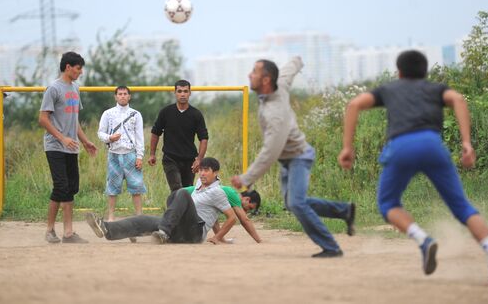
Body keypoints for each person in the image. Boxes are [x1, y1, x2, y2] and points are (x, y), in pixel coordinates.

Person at [338, 50, 488, 285]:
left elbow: (354, 104)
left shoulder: (389, 89)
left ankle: (423, 239)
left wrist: (347, 148)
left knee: (388, 204)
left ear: (399, 72)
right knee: (461, 206)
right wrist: (466, 143)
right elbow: (458, 99)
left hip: (401, 146)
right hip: (432, 144)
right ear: (425, 72)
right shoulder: (435, 89)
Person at [231, 56, 355, 258]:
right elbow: (288, 71)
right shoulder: (278, 85)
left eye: (254, 72)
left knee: (297, 203)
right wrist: (298, 60)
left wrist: (246, 179)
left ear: (266, 80)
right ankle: (344, 211)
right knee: (292, 203)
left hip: (299, 157)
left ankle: (331, 247)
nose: (249, 75)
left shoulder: (275, 114)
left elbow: (270, 151)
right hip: (288, 159)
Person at [86, 157, 237, 244]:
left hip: (194, 233)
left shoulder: (218, 191)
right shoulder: (199, 186)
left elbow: (232, 218)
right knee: (142, 219)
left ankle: (164, 231)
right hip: (179, 230)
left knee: (182, 194)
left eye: (206, 170)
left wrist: (217, 238)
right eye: (201, 170)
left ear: (215, 173)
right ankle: (107, 229)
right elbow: (213, 218)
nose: (202, 173)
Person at [39, 51, 97, 244]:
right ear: (68, 67)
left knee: (71, 188)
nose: (80, 72)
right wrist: (62, 138)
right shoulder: (53, 89)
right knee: (61, 186)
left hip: (71, 147)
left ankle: (68, 234)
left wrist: (85, 141)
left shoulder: (75, 89)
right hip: (55, 146)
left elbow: (74, 121)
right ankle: (50, 230)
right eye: (78, 68)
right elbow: (43, 119)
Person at [148, 79, 209, 191]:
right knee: (176, 188)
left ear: (190, 93)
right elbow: (155, 133)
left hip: (189, 160)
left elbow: (203, 139)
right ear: (175, 93)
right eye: (180, 91)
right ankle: (174, 209)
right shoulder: (166, 112)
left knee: (187, 191)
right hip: (170, 158)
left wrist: (199, 159)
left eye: (185, 91)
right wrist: (152, 154)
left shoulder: (196, 114)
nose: (182, 94)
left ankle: (181, 208)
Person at [97, 85, 146, 220]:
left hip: (131, 153)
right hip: (114, 154)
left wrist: (140, 156)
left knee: (136, 186)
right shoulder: (108, 113)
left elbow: (139, 136)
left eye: (125, 94)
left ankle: (139, 216)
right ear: (115, 96)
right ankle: (111, 216)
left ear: (129, 96)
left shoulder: (136, 114)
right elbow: (100, 132)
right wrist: (109, 138)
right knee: (112, 186)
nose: (123, 96)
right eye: (120, 94)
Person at [184, 185, 262, 243]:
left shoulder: (226, 198)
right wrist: (259, 240)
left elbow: (214, 221)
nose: (246, 211)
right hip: (184, 197)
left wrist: (221, 240)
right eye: (250, 208)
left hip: (183, 196)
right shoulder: (234, 195)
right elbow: (245, 220)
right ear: (247, 199)